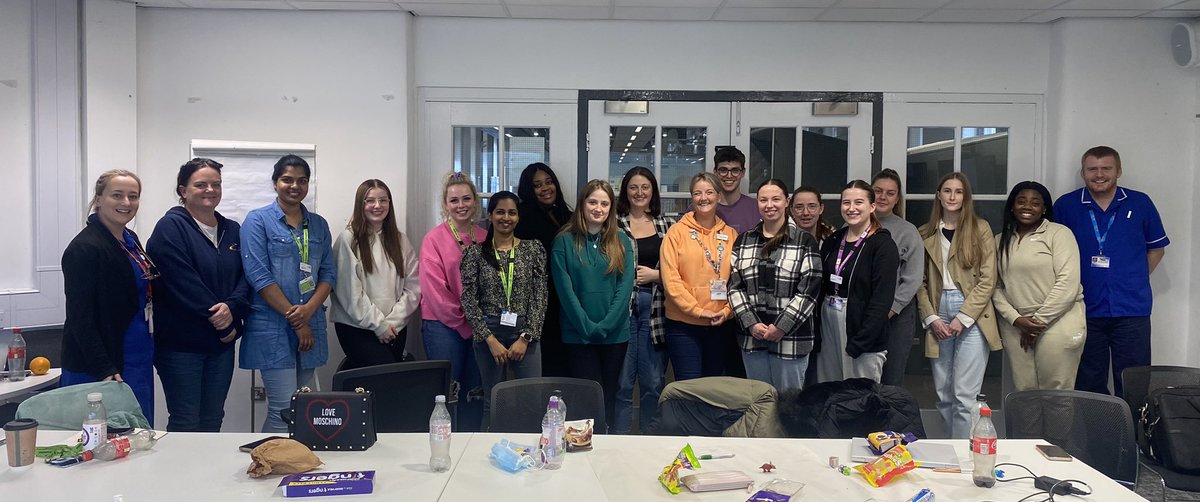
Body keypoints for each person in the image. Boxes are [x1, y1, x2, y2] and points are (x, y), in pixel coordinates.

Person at [1053, 146, 1169, 397]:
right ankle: (1095, 424)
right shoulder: (1066, 205)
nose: (1099, 175)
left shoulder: (1140, 203)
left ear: (1119, 171)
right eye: (1092, 169)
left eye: (1106, 168)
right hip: (1082, 309)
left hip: (1132, 311)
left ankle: (1134, 425)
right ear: (1083, 173)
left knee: (1133, 381)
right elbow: (1052, 254)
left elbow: (1157, 249)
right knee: (1088, 382)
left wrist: (1134, 278)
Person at [147, 159, 250, 432]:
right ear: (183, 190)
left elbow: (246, 277)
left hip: (221, 347)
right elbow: (182, 283)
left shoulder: (233, 230)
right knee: (186, 420)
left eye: (216, 184)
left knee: (213, 418)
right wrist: (225, 324)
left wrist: (232, 309)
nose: (210, 190)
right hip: (181, 346)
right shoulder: (170, 228)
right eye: (201, 184)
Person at [240, 155, 335, 433]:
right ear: (275, 183)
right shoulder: (257, 221)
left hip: (311, 325)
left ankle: (294, 457)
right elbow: (259, 277)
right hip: (272, 327)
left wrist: (307, 312)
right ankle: (268, 457)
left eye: (302, 180)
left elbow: (328, 274)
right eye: (287, 180)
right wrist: (297, 320)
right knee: (283, 410)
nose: (295, 186)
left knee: (302, 408)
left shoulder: (318, 225)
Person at [61, 170, 157, 423]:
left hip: (137, 354)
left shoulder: (129, 239)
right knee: (104, 437)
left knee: (140, 430)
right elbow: (80, 316)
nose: (126, 202)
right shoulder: (84, 248)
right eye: (117, 195)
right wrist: (103, 366)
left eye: (133, 196)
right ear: (99, 199)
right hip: (102, 364)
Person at [916, 173, 1000, 439]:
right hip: (937, 309)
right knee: (943, 395)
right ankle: (950, 451)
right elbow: (918, 282)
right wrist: (931, 318)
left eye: (959, 191)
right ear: (938, 195)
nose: (952, 196)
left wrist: (963, 317)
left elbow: (988, 279)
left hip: (971, 311)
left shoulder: (980, 229)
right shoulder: (925, 232)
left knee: (965, 395)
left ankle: (965, 456)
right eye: (947, 191)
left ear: (966, 197)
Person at [552, 180, 636, 430]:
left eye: (604, 204)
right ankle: (584, 444)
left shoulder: (622, 241)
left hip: (615, 335)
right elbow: (565, 292)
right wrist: (588, 327)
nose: (598, 208)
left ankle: (604, 445)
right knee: (586, 399)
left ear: (611, 208)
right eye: (593, 202)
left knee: (608, 396)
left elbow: (624, 289)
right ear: (582, 204)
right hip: (578, 335)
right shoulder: (564, 241)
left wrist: (606, 326)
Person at [461, 191, 547, 428]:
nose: (506, 218)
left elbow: (540, 296)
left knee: (531, 400)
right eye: (500, 212)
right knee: (493, 402)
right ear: (490, 215)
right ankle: (488, 448)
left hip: (524, 333)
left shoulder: (533, 250)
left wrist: (526, 337)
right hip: (489, 333)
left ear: (518, 217)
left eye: (512, 213)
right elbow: (468, 299)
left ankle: (529, 449)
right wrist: (489, 340)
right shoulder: (475, 253)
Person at [728, 179, 823, 391]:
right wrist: (751, 323)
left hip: (791, 341)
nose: (769, 205)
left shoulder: (804, 241)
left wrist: (781, 326)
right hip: (753, 339)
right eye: (763, 200)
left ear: (786, 202)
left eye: (776, 199)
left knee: (789, 405)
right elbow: (734, 287)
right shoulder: (743, 241)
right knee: (759, 402)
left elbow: (809, 291)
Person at [994, 181, 1086, 391]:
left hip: (1058, 322)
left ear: (1044, 209)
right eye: (1021, 201)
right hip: (1016, 326)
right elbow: (995, 287)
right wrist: (1016, 319)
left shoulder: (1059, 233)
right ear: (1012, 206)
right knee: (1024, 392)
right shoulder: (999, 240)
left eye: (1035, 203)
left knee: (1056, 393)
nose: (1027, 206)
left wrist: (1037, 323)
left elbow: (1068, 283)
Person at [420, 172, 488, 431]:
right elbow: (434, 291)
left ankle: (470, 443)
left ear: (475, 201)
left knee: (474, 392)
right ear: (445, 205)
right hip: (443, 327)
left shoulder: (485, 237)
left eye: (466, 199)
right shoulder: (433, 239)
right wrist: (464, 322)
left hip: (479, 327)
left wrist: (477, 323)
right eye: (454, 200)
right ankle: (444, 444)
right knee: (446, 393)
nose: (461, 205)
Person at [814, 180, 899, 384]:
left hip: (861, 332)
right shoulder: (834, 240)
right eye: (846, 203)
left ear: (872, 206)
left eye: (858, 202)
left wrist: (861, 341)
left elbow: (882, 300)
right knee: (829, 390)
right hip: (829, 322)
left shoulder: (883, 245)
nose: (851, 208)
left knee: (859, 396)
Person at [332, 179, 420, 370]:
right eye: (370, 200)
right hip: (358, 328)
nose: (377, 205)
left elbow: (413, 287)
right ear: (360, 204)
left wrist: (393, 323)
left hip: (395, 328)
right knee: (384, 379)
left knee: (387, 382)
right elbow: (349, 293)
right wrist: (379, 325)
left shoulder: (400, 240)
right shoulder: (348, 239)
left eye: (383, 200)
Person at [613, 166, 674, 434]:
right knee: (623, 383)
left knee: (653, 382)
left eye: (645, 187)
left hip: (656, 309)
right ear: (625, 191)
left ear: (653, 191)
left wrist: (657, 275)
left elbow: (680, 269)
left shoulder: (667, 224)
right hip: (622, 310)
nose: (639, 192)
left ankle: (650, 439)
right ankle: (620, 440)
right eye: (633, 187)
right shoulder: (613, 223)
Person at [660, 173, 737, 380]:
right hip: (683, 325)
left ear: (718, 196)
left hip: (719, 324)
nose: (704, 198)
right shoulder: (676, 232)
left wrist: (727, 312)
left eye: (709, 192)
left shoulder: (730, 234)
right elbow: (671, 280)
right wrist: (698, 311)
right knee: (689, 387)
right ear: (692, 198)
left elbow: (738, 281)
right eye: (697, 193)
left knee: (713, 387)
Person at [514, 162, 572, 378]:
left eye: (549, 182)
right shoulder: (521, 218)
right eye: (537, 185)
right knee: (543, 367)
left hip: (566, 301)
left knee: (566, 366)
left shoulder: (567, 215)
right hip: (536, 305)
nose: (545, 188)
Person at [870, 169, 925, 387]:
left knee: (891, 382)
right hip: (861, 315)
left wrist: (889, 311)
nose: (883, 197)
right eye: (878, 191)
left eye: (890, 193)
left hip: (896, 317)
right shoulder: (852, 226)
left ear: (897, 198)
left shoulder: (907, 231)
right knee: (860, 380)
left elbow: (913, 279)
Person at [711, 146, 759, 235]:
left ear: (743, 173)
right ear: (715, 172)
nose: (729, 176)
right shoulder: (701, 208)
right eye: (723, 170)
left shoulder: (757, 208)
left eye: (735, 170)